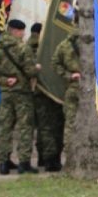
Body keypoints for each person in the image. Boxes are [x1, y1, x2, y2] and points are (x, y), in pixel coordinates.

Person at [0, 19, 39, 174]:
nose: (23, 34)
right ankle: (24, 163)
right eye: (22, 31)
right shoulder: (23, 49)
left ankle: (3, 162)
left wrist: (4, 80)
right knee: (25, 128)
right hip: (22, 94)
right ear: (16, 31)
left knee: (5, 128)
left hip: (5, 94)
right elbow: (30, 71)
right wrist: (36, 68)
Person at [29, 23, 64, 171]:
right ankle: (51, 159)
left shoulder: (27, 47)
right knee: (53, 127)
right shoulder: (50, 46)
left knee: (43, 127)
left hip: (36, 92)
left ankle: (43, 158)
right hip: (51, 91)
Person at [52, 28, 81, 145]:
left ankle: (69, 154)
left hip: (72, 87)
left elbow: (55, 63)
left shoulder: (64, 45)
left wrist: (68, 75)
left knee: (70, 123)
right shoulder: (96, 42)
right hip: (93, 90)